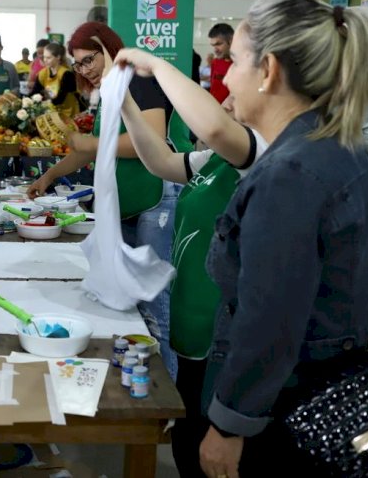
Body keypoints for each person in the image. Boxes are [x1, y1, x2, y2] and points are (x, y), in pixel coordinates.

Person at [194, 0, 368, 477]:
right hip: (334, 388)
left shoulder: (291, 176)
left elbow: (269, 320)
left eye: (236, 61)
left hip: (284, 411)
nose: (225, 76)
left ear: (267, 70)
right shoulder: (342, 155)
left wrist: (229, 426)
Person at [113, 49, 268, 478]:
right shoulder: (215, 162)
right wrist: (124, 99)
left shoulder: (260, 157)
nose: (226, 95)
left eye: (236, 73)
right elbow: (160, 161)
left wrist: (157, 68)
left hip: (222, 332)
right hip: (192, 325)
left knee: (210, 451)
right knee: (188, 443)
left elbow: (217, 128)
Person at [27, 22, 179, 381]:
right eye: (77, 64)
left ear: (109, 48)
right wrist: (48, 177)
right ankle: (141, 384)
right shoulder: (109, 91)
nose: (85, 70)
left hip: (155, 202)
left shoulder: (138, 80)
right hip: (127, 205)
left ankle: (167, 394)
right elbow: (89, 150)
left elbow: (152, 141)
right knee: (128, 303)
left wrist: (89, 145)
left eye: (89, 60)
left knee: (155, 305)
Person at [31, 42, 80, 118]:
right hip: (53, 111)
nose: (45, 60)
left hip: (69, 113)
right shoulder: (42, 74)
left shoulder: (67, 74)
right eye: (44, 57)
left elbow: (60, 99)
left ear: (58, 57)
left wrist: (43, 103)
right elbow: (35, 91)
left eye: (49, 58)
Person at [208, 23, 233, 104]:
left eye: (218, 44)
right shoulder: (215, 62)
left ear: (231, 41)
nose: (215, 49)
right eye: (213, 45)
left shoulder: (241, 64)